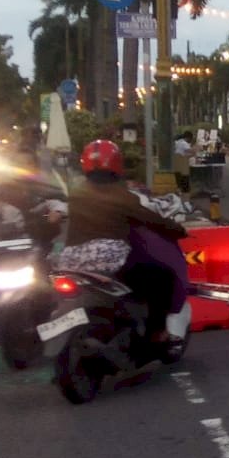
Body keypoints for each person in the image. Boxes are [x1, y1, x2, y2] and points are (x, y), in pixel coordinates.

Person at [58, 139, 188, 341]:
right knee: (162, 277)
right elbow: (152, 220)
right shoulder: (123, 197)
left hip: (71, 262)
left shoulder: (76, 193)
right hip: (109, 262)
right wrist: (178, 230)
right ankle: (156, 332)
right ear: (117, 165)